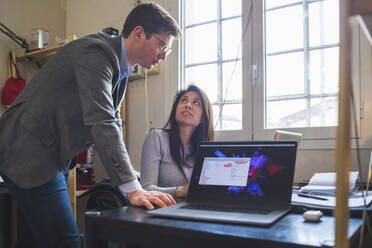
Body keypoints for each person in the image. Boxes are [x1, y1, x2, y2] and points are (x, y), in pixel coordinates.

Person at [0, 2, 181, 248]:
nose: (163, 55)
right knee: (66, 241)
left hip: (51, 154)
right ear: (139, 33)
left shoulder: (121, 67)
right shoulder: (97, 53)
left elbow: (112, 122)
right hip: (29, 150)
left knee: (35, 240)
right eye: (161, 45)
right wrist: (132, 189)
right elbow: (103, 121)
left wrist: (130, 177)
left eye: (167, 50)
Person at [140, 85, 215, 198]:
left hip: (193, 209)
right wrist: (180, 191)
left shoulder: (205, 149)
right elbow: (146, 189)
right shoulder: (157, 138)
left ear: (203, 117)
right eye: (184, 100)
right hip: (162, 210)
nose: (188, 105)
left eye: (196, 102)